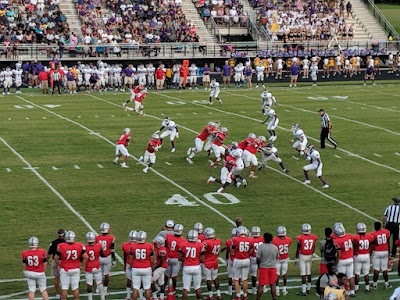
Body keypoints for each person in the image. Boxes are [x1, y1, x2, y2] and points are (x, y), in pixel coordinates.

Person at [54, 231, 88, 300]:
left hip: (65, 269)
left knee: (64, 287)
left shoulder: (61, 246)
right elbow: (86, 257)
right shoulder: (79, 245)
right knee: (75, 287)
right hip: (75, 269)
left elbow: (56, 258)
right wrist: (82, 266)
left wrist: (58, 265)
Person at [179, 230, 205, 300]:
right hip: (196, 267)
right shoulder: (200, 245)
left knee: (186, 288)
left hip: (187, 267)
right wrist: (195, 260)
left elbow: (179, 258)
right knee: (197, 287)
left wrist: (187, 260)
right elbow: (202, 260)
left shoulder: (183, 245)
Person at [129, 231, 154, 300]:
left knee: (135, 287)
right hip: (146, 268)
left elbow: (131, 260)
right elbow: (151, 260)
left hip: (136, 268)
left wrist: (132, 266)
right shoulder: (149, 246)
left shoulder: (132, 246)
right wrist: (152, 269)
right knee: (147, 287)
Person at [231, 226, 254, 300]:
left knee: (236, 279)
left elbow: (232, 251)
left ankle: (238, 296)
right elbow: (251, 251)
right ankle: (245, 295)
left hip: (238, 260)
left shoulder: (235, 239)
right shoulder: (250, 240)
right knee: (245, 279)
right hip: (247, 260)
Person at [332, 224, 355, 297]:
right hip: (350, 259)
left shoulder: (337, 241)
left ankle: (343, 292)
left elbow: (338, 253)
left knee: (341, 277)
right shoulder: (349, 236)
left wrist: (335, 264)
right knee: (350, 276)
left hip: (342, 260)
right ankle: (352, 292)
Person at [296, 224, 318, 296]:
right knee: (309, 272)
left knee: (303, 274)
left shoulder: (300, 238)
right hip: (310, 256)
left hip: (303, 256)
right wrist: (311, 253)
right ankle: (308, 288)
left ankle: (303, 290)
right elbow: (313, 247)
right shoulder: (313, 237)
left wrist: (296, 258)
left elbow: (298, 249)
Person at [95, 223, 116, 296]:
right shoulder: (111, 238)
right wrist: (114, 259)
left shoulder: (97, 238)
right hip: (107, 257)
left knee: (99, 273)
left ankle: (98, 288)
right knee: (106, 274)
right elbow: (112, 249)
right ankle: (105, 290)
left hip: (99, 257)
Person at [255, 232, 278, 300]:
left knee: (261, 285)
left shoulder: (261, 247)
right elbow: (276, 257)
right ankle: (274, 298)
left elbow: (258, 259)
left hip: (263, 267)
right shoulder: (275, 247)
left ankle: (258, 298)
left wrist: (259, 266)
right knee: (273, 284)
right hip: (272, 267)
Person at [165, 224, 187, 294]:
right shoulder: (183, 240)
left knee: (166, 275)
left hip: (168, 258)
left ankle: (162, 289)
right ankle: (173, 290)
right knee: (174, 276)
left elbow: (165, 246)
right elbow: (183, 252)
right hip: (176, 259)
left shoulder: (168, 236)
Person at [370, 221, 392, 290]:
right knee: (384, 269)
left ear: (375, 227)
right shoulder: (386, 232)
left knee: (376, 269)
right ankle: (387, 284)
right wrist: (389, 251)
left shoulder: (373, 234)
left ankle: (374, 285)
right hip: (385, 251)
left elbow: (372, 245)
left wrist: (370, 253)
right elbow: (388, 242)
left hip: (377, 252)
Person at [202, 227, 222, 300]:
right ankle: (219, 294)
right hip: (215, 261)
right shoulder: (219, 241)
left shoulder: (206, 242)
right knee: (215, 278)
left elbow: (202, 252)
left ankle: (210, 296)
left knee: (208, 279)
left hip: (208, 262)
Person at [272, 226, 292, 296]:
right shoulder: (289, 239)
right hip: (285, 258)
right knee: (284, 273)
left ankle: (277, 290)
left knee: (277, 274)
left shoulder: (274, 240)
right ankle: (284, 289)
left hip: (277, 259)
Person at [84, 232, 105, 300]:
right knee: (99, 282)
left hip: (88, 267)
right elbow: (102, 255)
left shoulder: (85, 248)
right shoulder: (98, 246)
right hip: (97, 266)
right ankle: (102, 297)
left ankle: (90, 298)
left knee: (89, 284)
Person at [353, 223, 373, 293]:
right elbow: (372, 244)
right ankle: (367, 288)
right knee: (366, 273)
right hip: (366, 255)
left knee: (357, 273)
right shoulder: (369, 236)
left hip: (358, 256)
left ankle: (356, 288)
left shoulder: (355, 237)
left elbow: (353, 245)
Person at [47, 229, 65, 300]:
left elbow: (48, 254)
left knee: (56, 278)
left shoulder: (54, 243)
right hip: (64, 261)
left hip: (55, 261)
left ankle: (58, 293)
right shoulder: (66, 242)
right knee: (64, 278)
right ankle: (64, 292)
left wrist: (47, 261)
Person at [122, 231, 138, 300]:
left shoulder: (125, 245)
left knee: (129, 280)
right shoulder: (139, 245)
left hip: (128, 263)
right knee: (138, 281)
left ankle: (128, 296)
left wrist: (125, 265)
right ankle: (140, 296)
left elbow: (125, 256)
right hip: (137, 264)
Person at [151, 236, 167, 300]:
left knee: (150, 280)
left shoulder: (162, 250)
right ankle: (162, 297)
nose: (154, 243)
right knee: (161, 282)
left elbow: (161, 262)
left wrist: (155, 268)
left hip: (161, 267)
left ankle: (154, 297)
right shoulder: (159, 248)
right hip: (161, 267)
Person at [250, 226, 264, 295]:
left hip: (253, 258)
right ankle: (264, 287)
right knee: (262, 273)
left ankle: (254, 289)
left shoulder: (251, 240)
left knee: (254, 274)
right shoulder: (262, 239)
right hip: (261, 258)